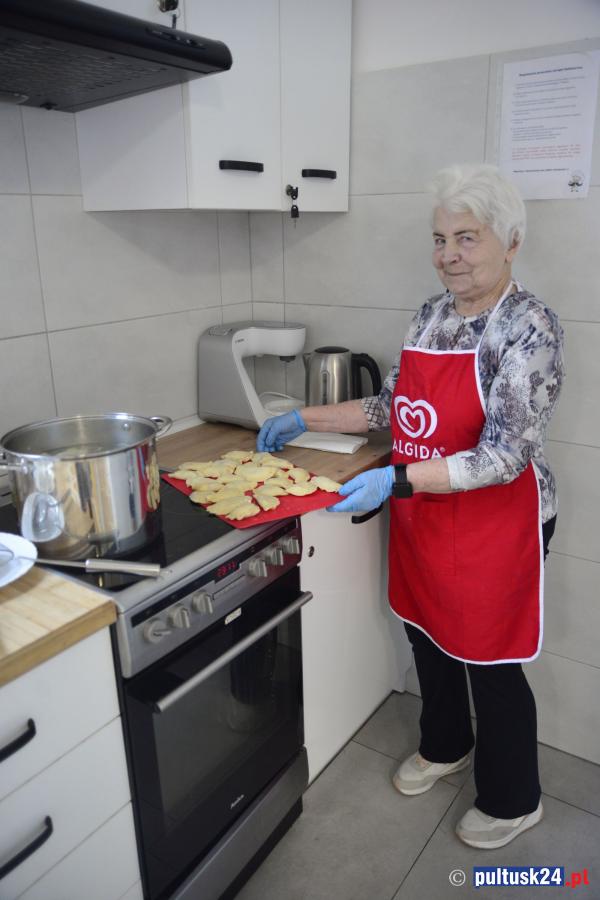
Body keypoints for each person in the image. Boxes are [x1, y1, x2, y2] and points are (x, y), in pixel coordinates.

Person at [257, 163, 565, 850]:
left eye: (467, 238)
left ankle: (513, 798)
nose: (449, 255)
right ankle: (446, 744)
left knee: (489, 658)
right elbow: (394, 409)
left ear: (511, 242)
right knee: (427, 632)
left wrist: (396, 482)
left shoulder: (529, 327)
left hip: (499, 520)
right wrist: (306, 417)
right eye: (439, 239)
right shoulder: (431, 314)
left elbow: (505, 456)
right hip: (428, 512)